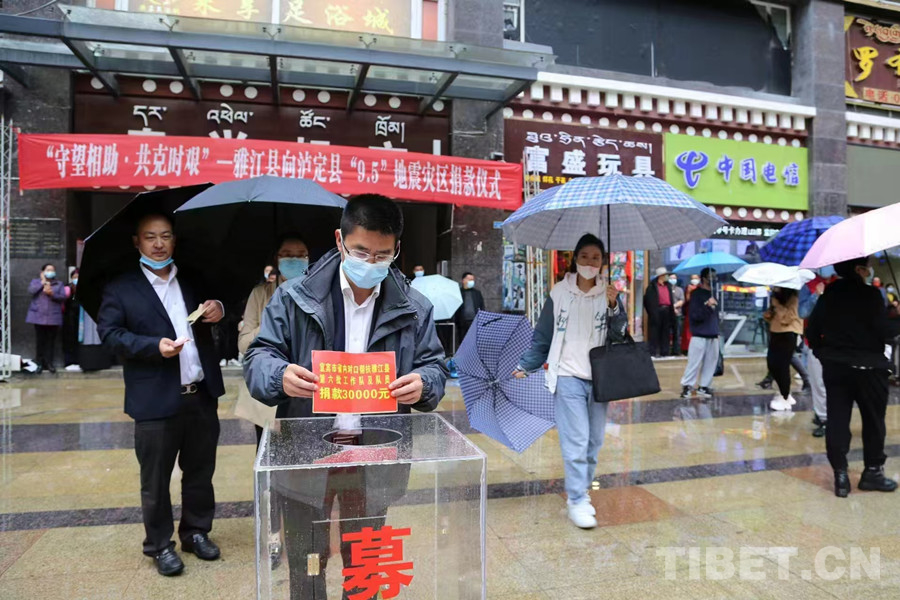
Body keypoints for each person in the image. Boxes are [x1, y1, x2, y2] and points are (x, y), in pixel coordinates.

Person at [243, 194, 448, 599]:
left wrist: (424, 383)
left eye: (382, 255)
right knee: (307, 565)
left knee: (365, 565)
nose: (370, 263)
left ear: (397, 250)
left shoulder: (414, 308)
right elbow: (258, 359)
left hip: (373, 454)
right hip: (306, 454)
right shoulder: (294, 298)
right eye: (360, 251)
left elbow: (436, 368)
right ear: (340, 240)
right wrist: (280, 374)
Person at [97, 213, 226, 576]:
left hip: (200, 393)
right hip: (154, 398)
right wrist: (153, 346)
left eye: (165, 236)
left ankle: (196, 532)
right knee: (155, 479)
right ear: (137, 242)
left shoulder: (192, 279)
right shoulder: (121, 287)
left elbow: (219, 311)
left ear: (174, 240)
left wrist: (218, 309)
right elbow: (110, 334)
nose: (158, 244)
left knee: (200, 471)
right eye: (150, 236)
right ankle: (159, 545)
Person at [514, 234, 626, 530]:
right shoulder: (559, 292)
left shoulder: (609, 293)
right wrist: (526, 365)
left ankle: (582, 491)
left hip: (601, 378)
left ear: (603, 262)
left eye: (596, 257)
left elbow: (620, 336)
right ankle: (577, 499)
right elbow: (543, 335)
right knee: (576, 439)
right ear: (575, 259)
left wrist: (614, 308)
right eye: (585, 256)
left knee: (594, 441)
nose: (590, 262)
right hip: (567, 376)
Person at [807, 256, 898, 497]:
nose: (870, 270)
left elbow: (812, 331)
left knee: (837, 419)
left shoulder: (829, 294)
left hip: (836, 368)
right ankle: (872, 473)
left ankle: (840, 475)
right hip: (870, 369)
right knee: (873, 421)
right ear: (859, 269)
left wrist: (823, 354)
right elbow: (885, 332)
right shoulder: (871, 295)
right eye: (867, 266)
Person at [238, 233, 310, 446]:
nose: (294, 260)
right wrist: (273, 319)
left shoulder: (317, 293)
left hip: (307, 392)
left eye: (301, 255)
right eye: (287, 254)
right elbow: (243, 344)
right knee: (268, 453)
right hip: (269, 390)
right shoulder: (260, 294)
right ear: (277, 259)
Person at [679, 268, 719, 399]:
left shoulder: (714, 294)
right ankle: (687, 386)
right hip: (699, 334)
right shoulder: (696, 295)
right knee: (694, 363)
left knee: (710, 363)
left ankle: (704, 386)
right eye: (710, 276)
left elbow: (715, 315)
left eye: (715, 276)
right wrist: (707, 305)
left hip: (712, 334)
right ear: (704, 278)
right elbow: (695, 315)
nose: (713, 279)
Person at [764, 287, 803, 411]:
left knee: (782, 365)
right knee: (772, 363)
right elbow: (772, 317)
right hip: (775, 332)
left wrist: (778, 306)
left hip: (788, 333)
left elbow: (788, 318)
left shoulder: (793, 298)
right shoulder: (775, 297)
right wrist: (770, 313)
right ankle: (785, 393)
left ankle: (784, 396)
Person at [799, 278, 828, 437]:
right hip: (815, 343)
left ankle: (828, 415)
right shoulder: (809, 286)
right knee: (818, 382)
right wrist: (816, 295)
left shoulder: (839, 284)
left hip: (838, 342)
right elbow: (803, 312)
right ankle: (823, 417)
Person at [27, 263, 67, 374]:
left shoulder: (59, 284)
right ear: (43, 272)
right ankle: (39, 363)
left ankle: (49, 363)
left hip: (53, 317)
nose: (51, 272)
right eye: (48, 270)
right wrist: (43, 282)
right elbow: (31, 291)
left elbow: (63, 297)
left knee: (50, 341)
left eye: (52, 270)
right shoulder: (36, 282)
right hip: (38, 317)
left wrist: (52, 294)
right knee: (40, 341)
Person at [643, 266, 675, 357]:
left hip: (667, 310)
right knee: (654, 332)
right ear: (661, 276)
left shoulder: (668, 286)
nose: (667, 277)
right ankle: (653, 352)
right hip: (657, 311)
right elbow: (647, 301)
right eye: (665, 275)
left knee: (666, 332)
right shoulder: (652, 287)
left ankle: (665, 352)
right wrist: (652, 312)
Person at [62, 268, 83, 372]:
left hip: (81, 319)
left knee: (79, 341)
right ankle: (69, 362)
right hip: (69, 318)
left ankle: (80, 361)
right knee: (69, 340)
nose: (76, 279)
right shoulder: (67, 289)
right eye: (74, 277)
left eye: (78, 277)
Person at [455, 271, 485, 342]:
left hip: (474, 321)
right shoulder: (458, 293)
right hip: (462, 323)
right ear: (463, 280)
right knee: (463, 341)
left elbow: (481, 306)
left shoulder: (477, 293)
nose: (472, 282)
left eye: (472, 280)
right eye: (469, 279)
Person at [680, 274, 700, 355]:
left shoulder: (701, 288)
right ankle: (687, 348)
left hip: (699, 311)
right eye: (692, 278)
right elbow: (687, 300)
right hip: (690, 310)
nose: (694, 280)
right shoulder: (688, 288)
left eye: (696, 278)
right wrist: (688, 292)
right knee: (688, 330)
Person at [670, 274, 685, 356]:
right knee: (667, 333)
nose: (673, 280)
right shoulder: (667, 289)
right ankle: (666, 350)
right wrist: (671, 308)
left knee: (677, 333)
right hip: (668, 314)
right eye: (671, 278)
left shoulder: (679, 290)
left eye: (674, 278)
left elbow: (682, 300)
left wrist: (674, 306)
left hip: (678, 314)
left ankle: (676, 351)